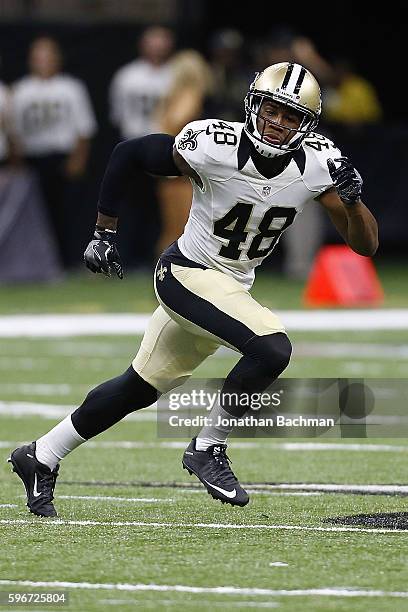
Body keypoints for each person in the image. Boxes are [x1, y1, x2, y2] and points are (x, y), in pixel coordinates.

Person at [9, 62, 378, 516]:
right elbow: (129, 153)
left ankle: (40, 454)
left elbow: (366, 245)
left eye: (291, 116)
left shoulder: (319, 164)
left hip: (231, 284)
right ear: (253, 105)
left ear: (307, 126)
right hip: (186, 273)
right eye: (271, 110)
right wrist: (103, 233)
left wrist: (354, 200)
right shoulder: (214, 145)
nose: (278, 123)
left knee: (137, 387)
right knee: (271, 348)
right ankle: (208, 447)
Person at [10, 37, 97, 268]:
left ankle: (72, 260)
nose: (43, 62)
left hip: (62, 156)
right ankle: (41, 263)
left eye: (48, 56)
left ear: (57, 59)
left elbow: (84, 128)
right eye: (38, 57)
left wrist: (78, 159)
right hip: (33, 158)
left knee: (68, 213)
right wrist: (17, 161)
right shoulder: (21, 90)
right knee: (37, 215)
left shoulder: (71, 88)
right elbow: (15, 132)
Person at [108, 25, 175, 268]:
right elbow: (118, 117)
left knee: (162, 208)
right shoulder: (127, 76)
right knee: (131, 204)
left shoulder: (175, 74)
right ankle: (125, 255)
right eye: (153, 41)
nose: (157, 47)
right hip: (134, 143)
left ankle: (155, 258)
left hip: (166, 147)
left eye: (162, 41)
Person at [154, 49, 214, 255]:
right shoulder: (190, 94)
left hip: (171, 168)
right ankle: (168, 273)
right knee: (180, 229)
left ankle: (165, 271)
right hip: (181, 171)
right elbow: (173, 124)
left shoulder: (172, 96)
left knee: (173, 229)